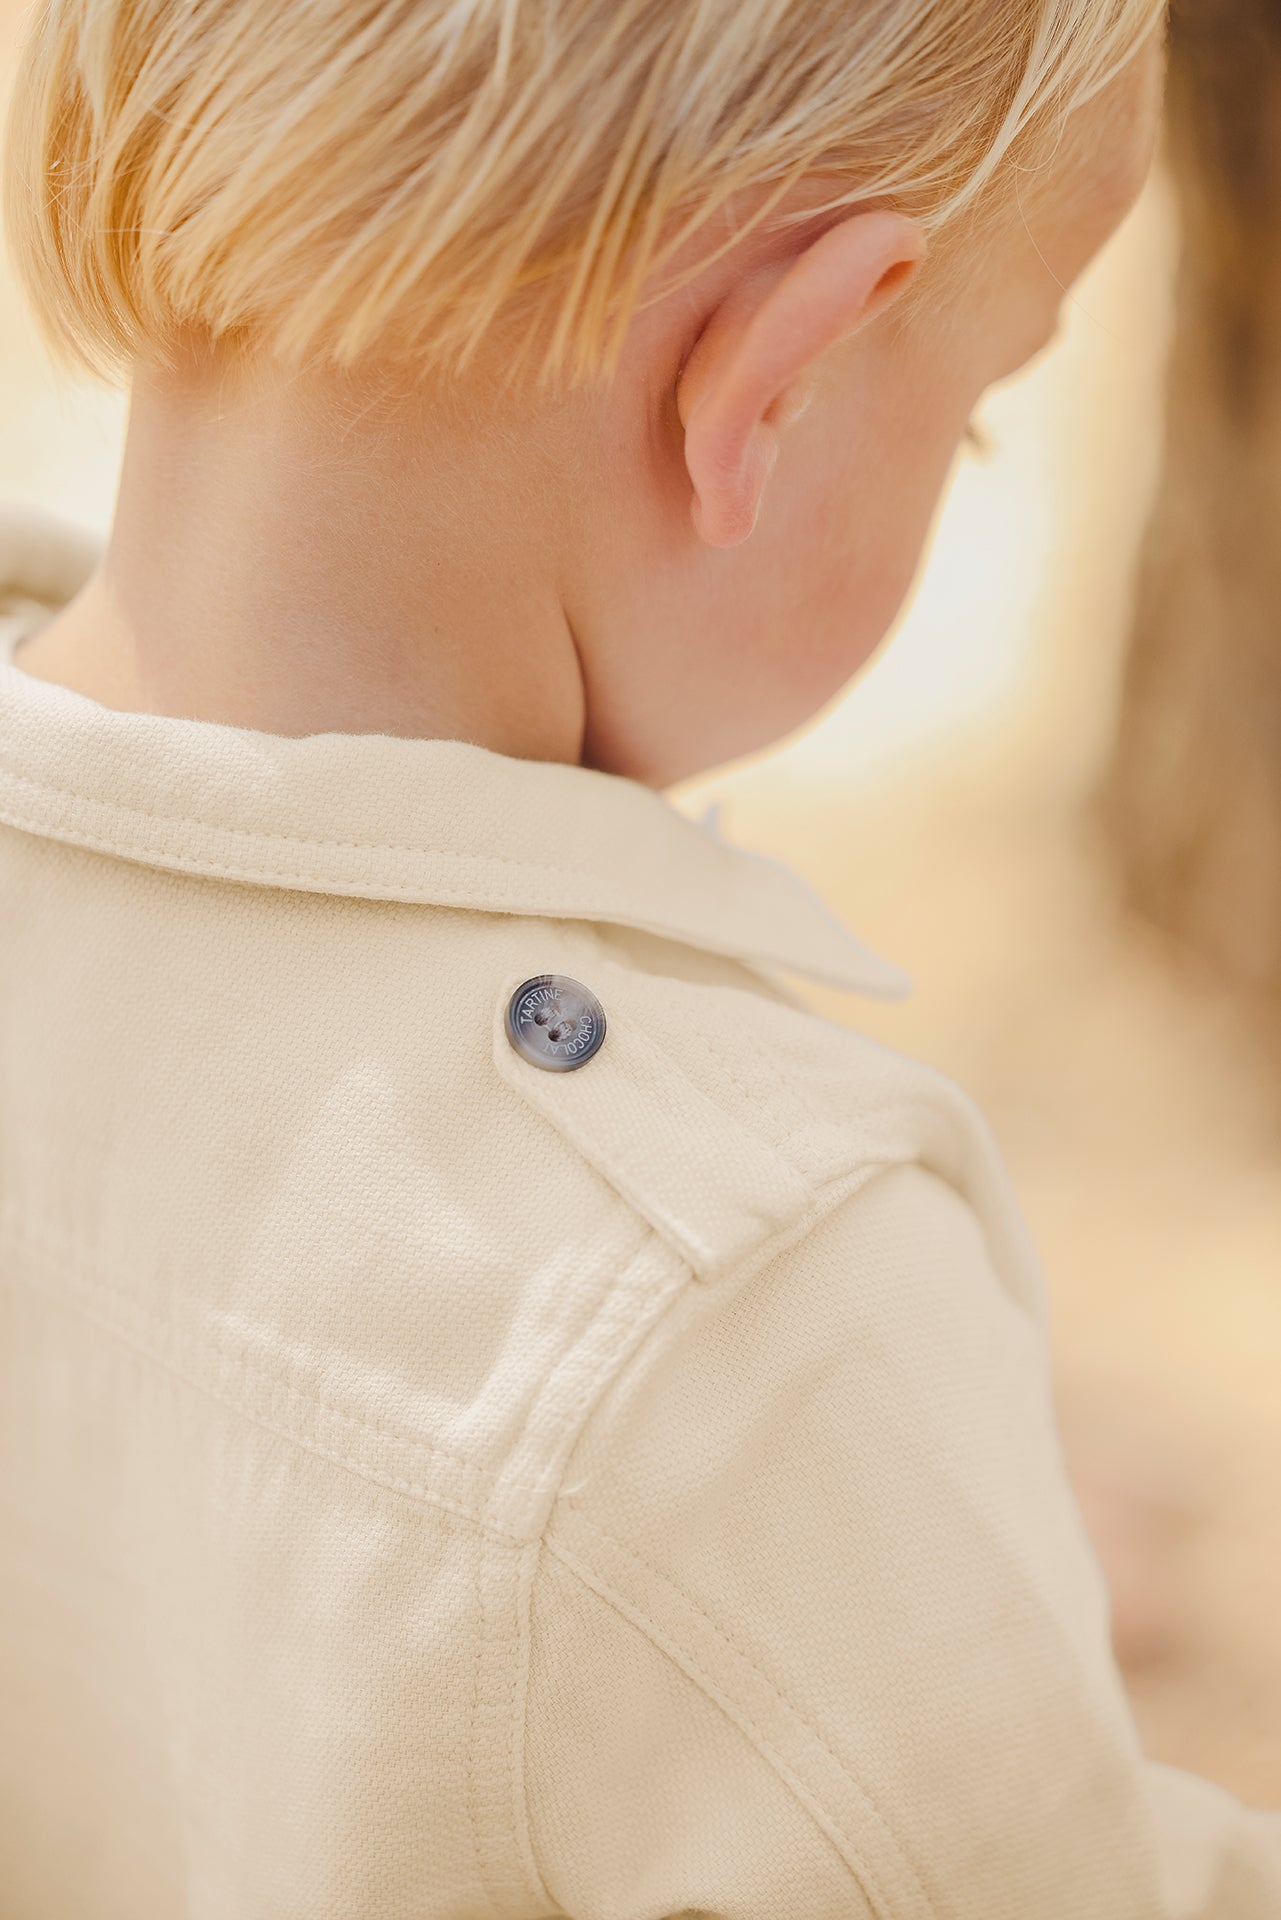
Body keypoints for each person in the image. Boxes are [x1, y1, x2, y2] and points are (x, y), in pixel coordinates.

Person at [0, 0, 1276, 1912]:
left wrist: (865, 1543)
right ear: (778, 377)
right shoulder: (728, 1318)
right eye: (974, 405)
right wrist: (813, 1460)